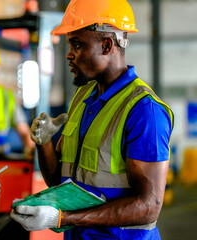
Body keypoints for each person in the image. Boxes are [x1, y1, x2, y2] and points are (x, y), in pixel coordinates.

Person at [10, 0, 174, 239]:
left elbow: (148, 207)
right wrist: (44, 143)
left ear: (107, 45)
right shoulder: (83, 96)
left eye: (77, 44)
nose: (69, 55)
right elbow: (60, 180)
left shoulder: (144, 111)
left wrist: (62, 218)